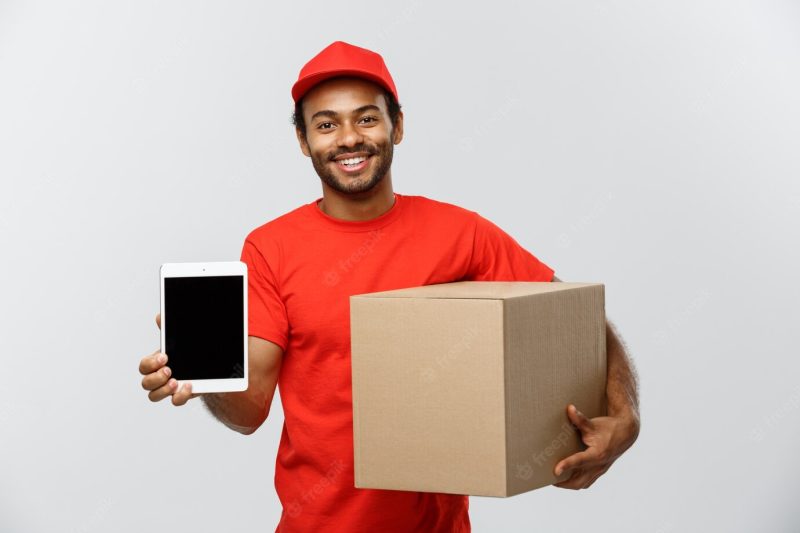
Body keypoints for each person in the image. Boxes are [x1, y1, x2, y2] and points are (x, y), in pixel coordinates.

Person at [138, 41, 640, 533]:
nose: (349, 138)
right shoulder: (270, 248)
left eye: (367, 118)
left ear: (397, 126)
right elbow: (249, 414)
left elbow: (576, 318)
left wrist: (625, 415)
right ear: (303, 141)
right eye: (326, 124)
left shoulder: (461, 233)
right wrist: (205, 378)